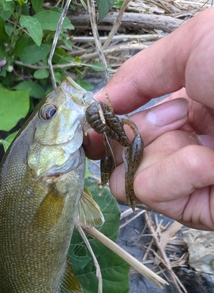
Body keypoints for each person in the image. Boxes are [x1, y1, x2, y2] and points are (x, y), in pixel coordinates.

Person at [83, 8, 214, 230]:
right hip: (115, 134)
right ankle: (118, 183)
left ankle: (118, 183)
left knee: (123, 159)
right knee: (118, 156)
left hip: (120, 134)